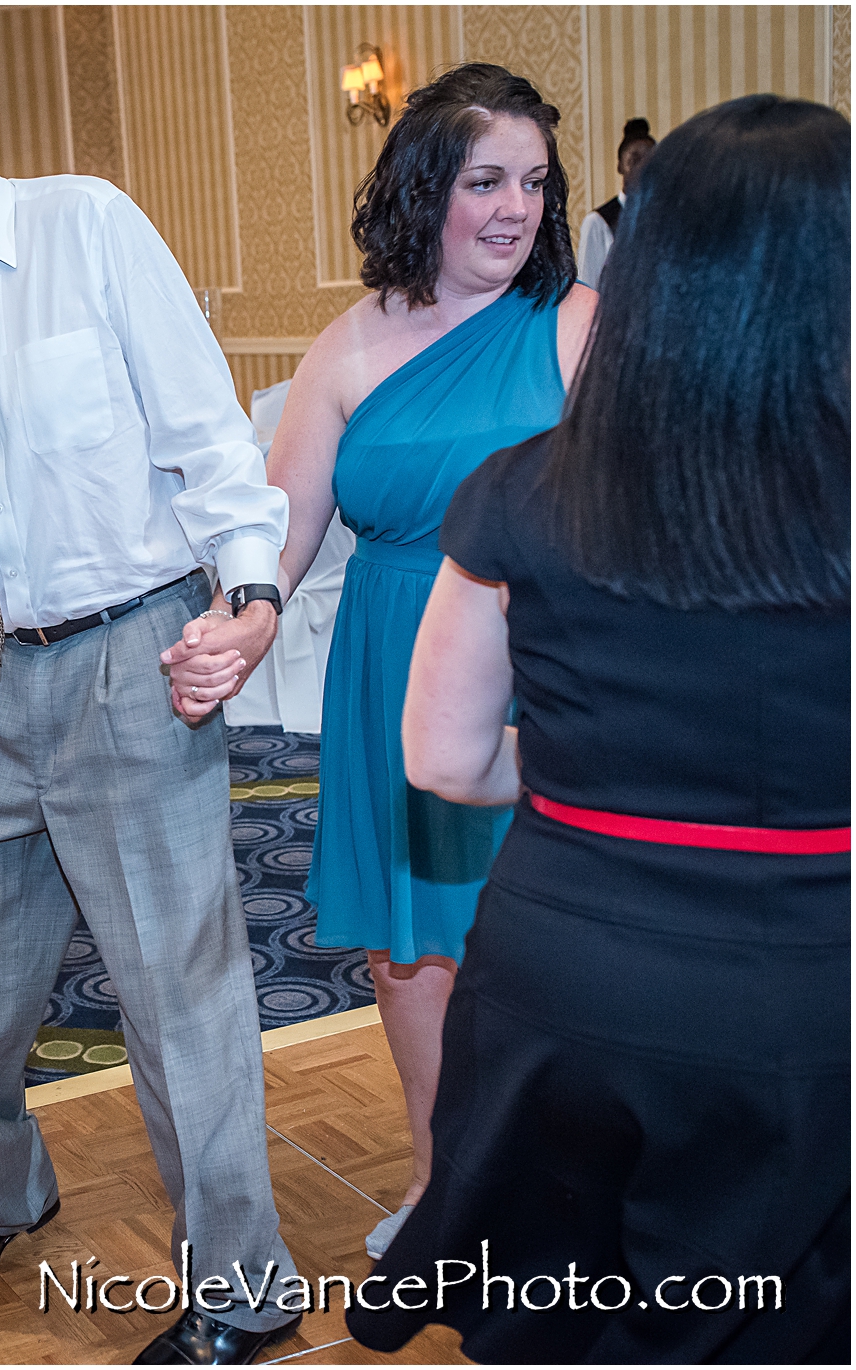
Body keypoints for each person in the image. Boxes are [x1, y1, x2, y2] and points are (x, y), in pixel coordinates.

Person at [0, 24, 304, 1364]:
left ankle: (245, 1292)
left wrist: (251, 595)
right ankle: (1, 1194)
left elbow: (209, 432)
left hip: (132, 658)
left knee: (178, 996)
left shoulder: (92, 228)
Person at [352, 94, 849, 1363]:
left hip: (566, 974)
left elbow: (443, 758)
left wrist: (592, 770)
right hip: (815, 979)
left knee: (566, 1316)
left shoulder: (521, 487)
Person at [255, 64, 596, 1265]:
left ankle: (565, 1180)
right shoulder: (346, 344)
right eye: (483, 180)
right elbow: (282, 535)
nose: (512, 207)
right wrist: (236, 621)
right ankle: (440, 1178)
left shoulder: (576, 325)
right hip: (390, 668)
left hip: (543, 665)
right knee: (410, 953)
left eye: (533, 182)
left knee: (555, 940)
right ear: (422, 187)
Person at [575, 117, 655, 286]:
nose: (642, 168)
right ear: (619, 165)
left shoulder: (665, 219)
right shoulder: (599, 222)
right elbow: (587, 285)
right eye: (634, 160)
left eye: (650, 161)